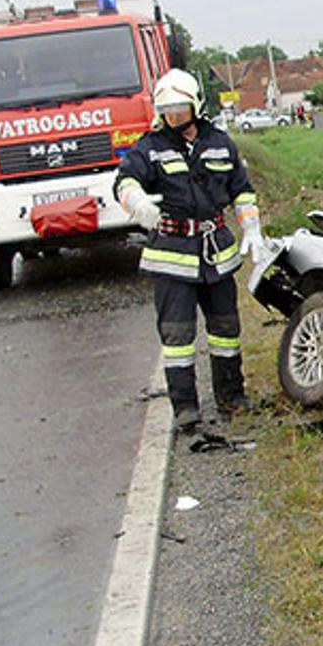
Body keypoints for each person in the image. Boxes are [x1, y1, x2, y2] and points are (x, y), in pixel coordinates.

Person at [113, 69, 267, 432]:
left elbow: (240, 189)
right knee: (178, 337)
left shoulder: (220, 143)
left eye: (181, 109)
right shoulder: (149, 148)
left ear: (195, 106)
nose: (174, 116)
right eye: (168, 110)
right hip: (172, 257)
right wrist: (136, 202)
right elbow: (124, 180)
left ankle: (231, 397)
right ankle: (185, 408)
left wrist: (251, 224)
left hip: (215, 254)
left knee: (226, 330)